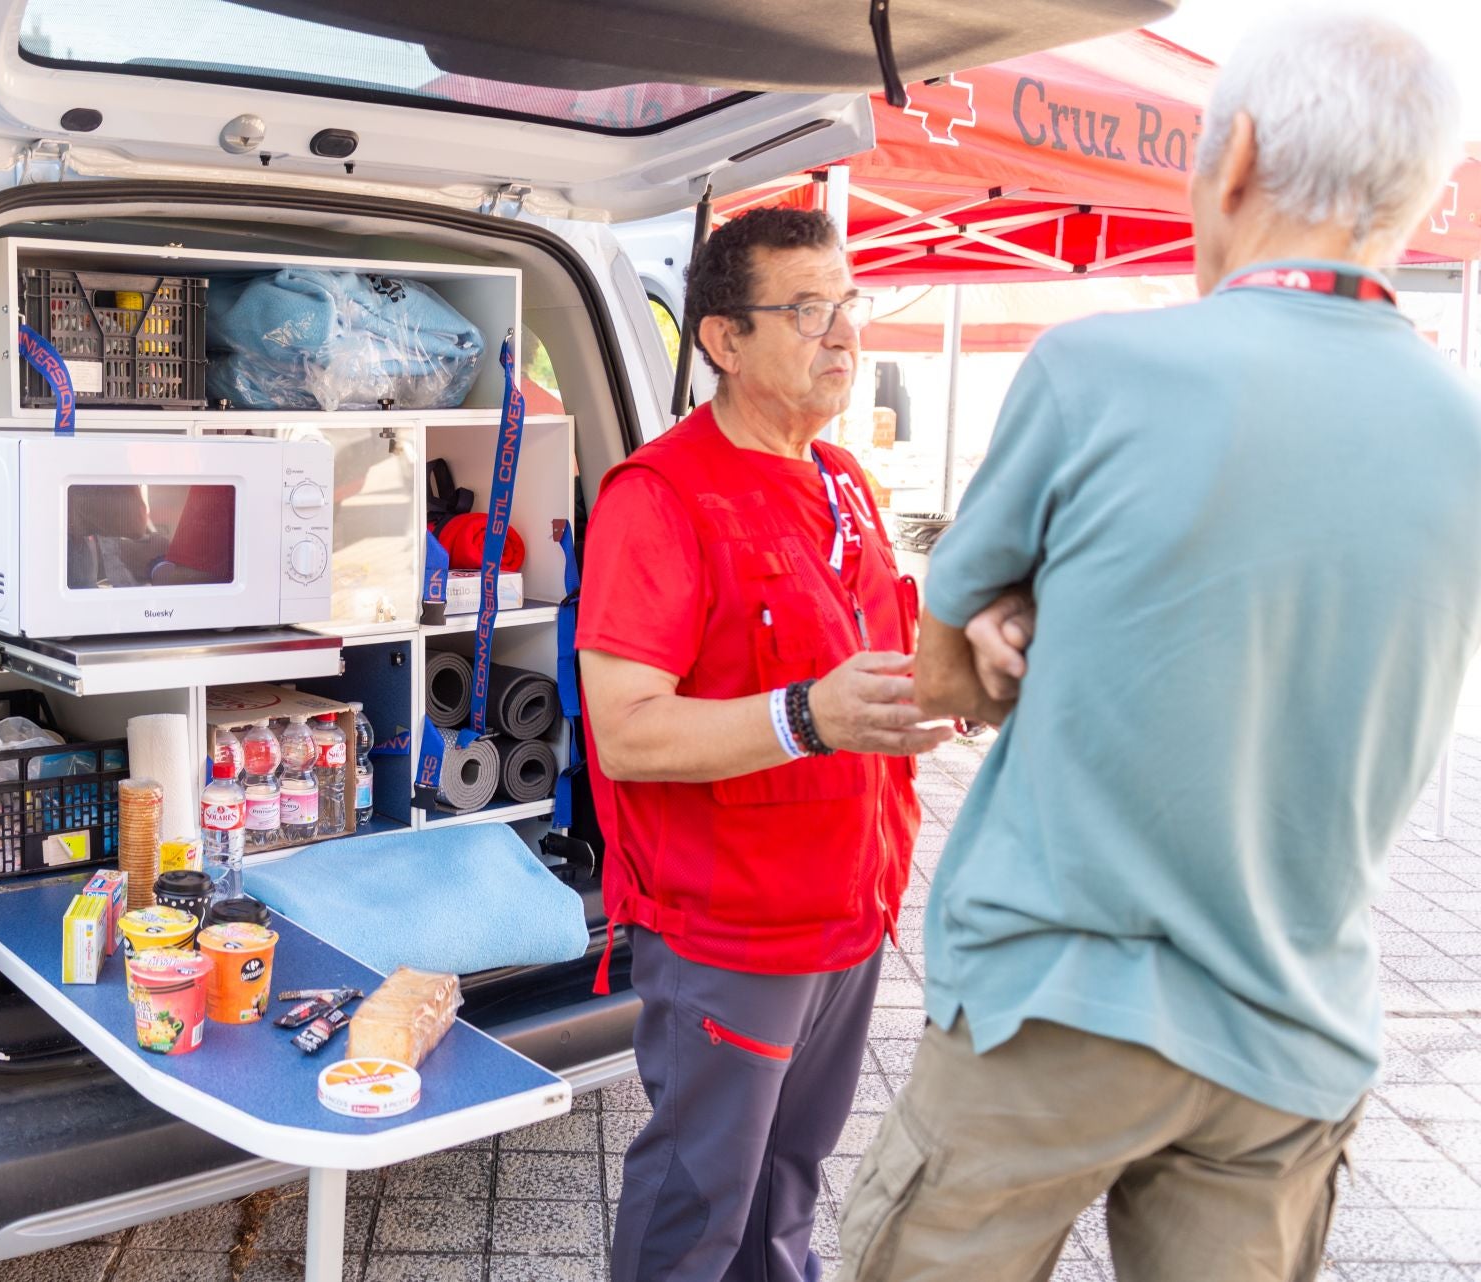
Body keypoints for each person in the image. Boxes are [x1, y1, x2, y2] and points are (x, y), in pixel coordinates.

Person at [832, 14, 1481, 1282]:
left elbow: (947, 669)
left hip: (1051, 1009)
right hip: (1294, 1037)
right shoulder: (1463, 435)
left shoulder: (1098, 369)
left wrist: (1020, 637)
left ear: (1232, 159)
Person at [579, 207, 952, 1282]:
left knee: (788, 1182)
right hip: (729, 933)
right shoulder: (660, 499)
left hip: (853, 912)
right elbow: (628, 732)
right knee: (699, 1195)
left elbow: (879, 659)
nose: (843, 335)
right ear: (724, 340)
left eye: (848, 305)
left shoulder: (843, 480)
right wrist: (807, 718)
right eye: (807, 309)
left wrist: (969, 672)